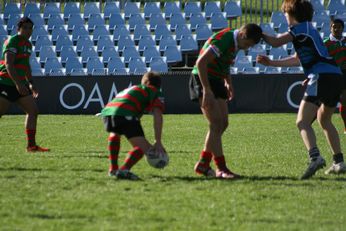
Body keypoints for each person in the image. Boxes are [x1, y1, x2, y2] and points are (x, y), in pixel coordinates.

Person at [257, 0, 346, 178]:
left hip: (321, 76)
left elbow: (275, 42)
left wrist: (257, 31)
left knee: (302, 122)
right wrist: (272, 63)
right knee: (324, 120)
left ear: (292, 14)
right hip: (335, 77)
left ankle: (315, 158)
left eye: (285, 14)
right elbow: (297, 59)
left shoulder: (300, 28)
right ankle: (339, 162)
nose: (284, 17)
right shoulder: (308, 30)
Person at [190, 24, 263, 179]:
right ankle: (221, 168)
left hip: (216, 79)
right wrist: (206, 90)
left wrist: (228, 82)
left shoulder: (236, 42)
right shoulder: (225, 39)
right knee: (216, 124)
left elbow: (224, 63)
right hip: (202, 78)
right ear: (242, 35)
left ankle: (204, 163)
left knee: (223, 124)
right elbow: (201, 63)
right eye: (248, 44)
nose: (247, 48)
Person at [101, 72, 165, 180]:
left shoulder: (134, 89)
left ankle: (113, 169)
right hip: (125, 112)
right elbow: (158, 115)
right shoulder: (154, 91)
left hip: (108, 111)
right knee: (145, 149)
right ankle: (124, 169)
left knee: (115, 134)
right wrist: (158, 141)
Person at [0, 17, 49, 152]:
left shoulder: (28, 45)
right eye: (25, 28)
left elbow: (26, 66)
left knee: (33, 111)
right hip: (5, 83)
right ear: (19, 29)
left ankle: (31, 146)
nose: (28, 31)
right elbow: (9, 64)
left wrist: (31, 83)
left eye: (30, 28)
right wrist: (18, 83)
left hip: (20, 83)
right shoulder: (12, 41)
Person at [323, 18, 346, 135]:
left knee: (344, 101)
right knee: (326, 104)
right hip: (331, 76)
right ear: (330, 28)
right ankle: (317, 122)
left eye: (339, 27)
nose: (337, 29)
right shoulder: (325, 43)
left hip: (344, 74)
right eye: (334, 27)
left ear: (343, 28)